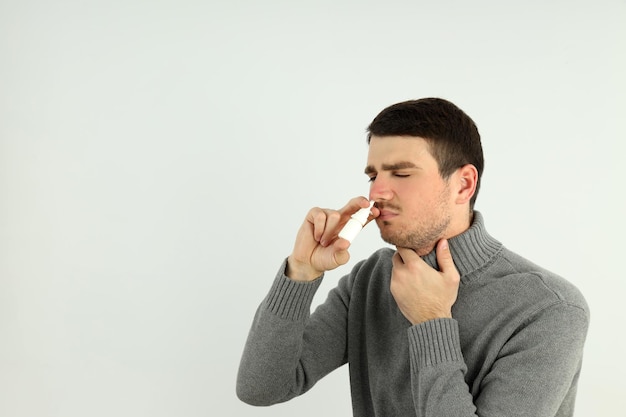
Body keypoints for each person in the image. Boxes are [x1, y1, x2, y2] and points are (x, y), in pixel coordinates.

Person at [236, 98, 589, 417]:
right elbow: (261, 388)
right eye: (373, 175)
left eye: (401, 173)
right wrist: (300, 273)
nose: (376, 193)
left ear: (464, 185)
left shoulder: (549, 308)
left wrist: (430, 321)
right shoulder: (370, 279)